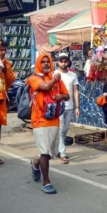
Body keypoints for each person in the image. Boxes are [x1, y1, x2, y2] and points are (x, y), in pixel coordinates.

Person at [28, 54, 69, 194]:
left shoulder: (56, 79)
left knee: (50, 153)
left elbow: (67, 95)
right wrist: (55, 79)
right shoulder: (34, 78)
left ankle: (36, 163)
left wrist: (61, 96)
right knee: (45, 153)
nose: (46, 64)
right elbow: (45, 87)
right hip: (40, 121)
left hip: (54, 120)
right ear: (39, 63)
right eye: (43, 62)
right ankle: (46, 182)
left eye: (48, 62)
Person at [54, 51, 80, 164]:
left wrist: (77, 107)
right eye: (61, 61)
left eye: (65, 61)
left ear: (68, 62)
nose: (64, 63)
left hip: (69, 107)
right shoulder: (54, 74)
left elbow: (75, 91)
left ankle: (57, 149)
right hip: (58, 106)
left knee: (64, 130)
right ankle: (62, 153)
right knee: (60, 130)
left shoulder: (73, 75)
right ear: (58, 62)